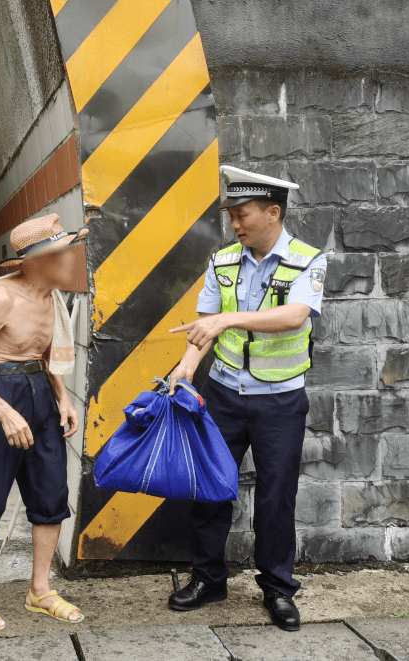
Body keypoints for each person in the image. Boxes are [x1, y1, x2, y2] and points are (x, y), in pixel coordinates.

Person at [166, 165, 326, 632]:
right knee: (210, 488)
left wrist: (226, 323)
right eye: (231, 216)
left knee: (277, 496)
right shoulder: (222, 261)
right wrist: (185, 369)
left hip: (280, 402)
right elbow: (202, 327)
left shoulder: (308, 259)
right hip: (224, 394)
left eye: (242, 214)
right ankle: (208, 578)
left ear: (273, 212)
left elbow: (295, 316)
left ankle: (277, 588)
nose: (235, 224)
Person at [0, 213, 87, 633]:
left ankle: (40, 591)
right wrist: (5, 411)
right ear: (38, 260)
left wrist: (62, 398)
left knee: (50, 493)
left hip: (38, 396)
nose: (72, 262)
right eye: (64, 254)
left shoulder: (50, 297)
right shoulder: (3, 298)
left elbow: (44, 355)